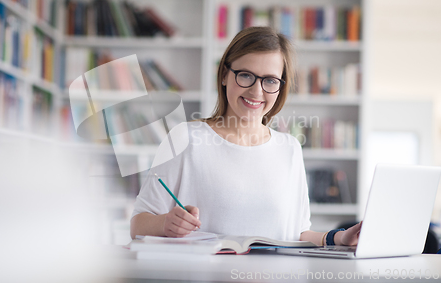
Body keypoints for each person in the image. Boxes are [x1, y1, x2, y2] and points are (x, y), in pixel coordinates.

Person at [130, 26, 361, 246]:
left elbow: (297, 233)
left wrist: (338, 238)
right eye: (245, 75)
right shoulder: (185, 138)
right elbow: (138, 225)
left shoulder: (289, 148)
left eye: (270, 80)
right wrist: (165, 223)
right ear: (224, 75)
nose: (256, 91)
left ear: (280, 86)